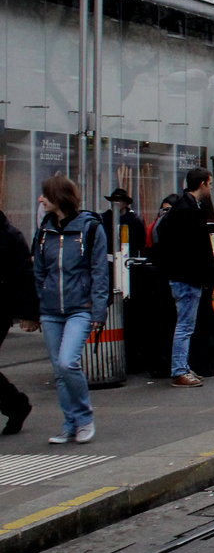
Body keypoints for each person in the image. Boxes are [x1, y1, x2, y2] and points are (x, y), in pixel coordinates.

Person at [32, 175, 108, 443]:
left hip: (80, 307)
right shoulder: (44, 230)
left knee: (68, 362)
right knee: (59, 371)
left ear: (58, 197)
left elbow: (100, 271)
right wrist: (42, 300)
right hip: (52, 309)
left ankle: (84, 417)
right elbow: (39, 269)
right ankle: (70, 423)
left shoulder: (90, 228)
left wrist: (98, 310)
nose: (41, 199)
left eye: (45, 195)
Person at [151, 168, 214, 387]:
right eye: (210, 183)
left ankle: (183, 367)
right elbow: (190, 246)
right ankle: (179, 370)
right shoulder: (186, 210)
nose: (211, 187)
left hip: (187, 274)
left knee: (186, 325)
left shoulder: (189, 207)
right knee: (185, 326)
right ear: (203, 184)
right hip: (187, 275)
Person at [0, 208, 39, 435]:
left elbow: (25, 276)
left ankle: (16, 405)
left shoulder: (10, 236)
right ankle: (15, 405)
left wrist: (29, 313)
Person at [99, 187, 147, 258]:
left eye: (118, 200)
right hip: (108, 259)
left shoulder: (135, 220)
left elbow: (141, 242)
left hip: (128, 259)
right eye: (113, 200)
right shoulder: (104, 219)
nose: (115, 203)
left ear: (125, 203)